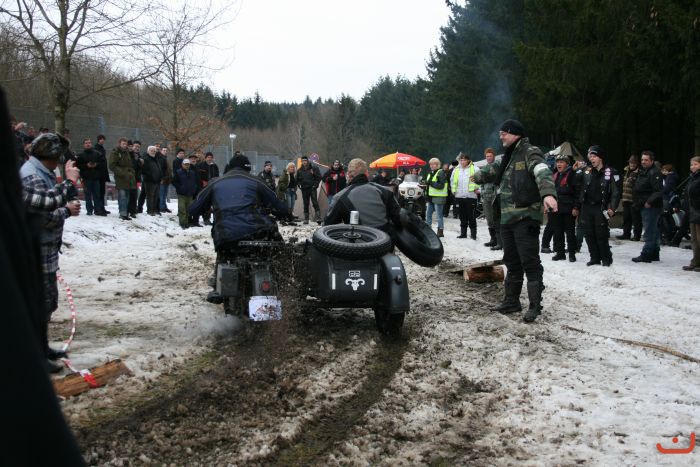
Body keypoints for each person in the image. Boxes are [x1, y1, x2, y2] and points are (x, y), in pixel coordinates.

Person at [472, 119, 557, 323]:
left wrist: (548, 193)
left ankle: (535, 306)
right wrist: (476, 175)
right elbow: (491, 170)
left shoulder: (530, 151)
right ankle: (512, 301)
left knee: (530, 262)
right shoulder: (507, 156)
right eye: (500, 133)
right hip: (507, 218)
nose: (501, 136)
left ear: (516, 133)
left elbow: (541, 170)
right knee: (511, 260)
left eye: (504, 133)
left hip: (526, 216)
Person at [189, 154, 291, 303]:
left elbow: (194, 209)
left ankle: (219, 286)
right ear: (247, 168)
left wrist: (207, 208)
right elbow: (278, 205)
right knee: (279, 250)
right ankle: (287, 281)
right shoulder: (257, 181)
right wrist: (285, 213)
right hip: (260, 232)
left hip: (227, 235)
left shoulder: (215, 183)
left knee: (224, 253)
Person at [20, 133, 82, 373]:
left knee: (47, 302)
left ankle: (42, 347)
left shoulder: (41, 172)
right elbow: (44, 213)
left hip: (45, 249)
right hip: (34, 250)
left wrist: (66, 202)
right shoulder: (31, 176)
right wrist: (67, 202)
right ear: (51, 156)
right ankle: (34, 355)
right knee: (39, 304)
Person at [324, 158, 402, 238]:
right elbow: (399, 218)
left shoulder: (341, 196)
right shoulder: (384, 191)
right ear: (367, 173)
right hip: (386, 241)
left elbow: (327, 227)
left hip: (358, 242)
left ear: (348, 174)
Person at [578, 145, 619, 266]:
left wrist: (612, 207)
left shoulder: (610, 172)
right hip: (587, 206)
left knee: (601, 234)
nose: (591, 158)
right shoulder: (586, 171)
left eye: (594, 156)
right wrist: (576, 171)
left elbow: (616, 192)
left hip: (600, 207)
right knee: (589, 234)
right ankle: (594, 258)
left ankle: (606, 259)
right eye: (590, 156)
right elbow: (575, 182)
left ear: (600, 158)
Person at [632, 150, 663, 262]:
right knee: (654, 230)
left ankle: (646, 254)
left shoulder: (654, 172)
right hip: (644, 204)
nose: (643, 162)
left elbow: (658, 191)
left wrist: (649, 202)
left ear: (652, 161)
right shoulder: (644, 171)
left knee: (649, 231)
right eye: (642, 159)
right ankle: (654, 253)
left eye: (646, 160)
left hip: (651, 206)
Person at [550, 155, 580, 261]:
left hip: (568, 208)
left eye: (561, 162)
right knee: (558, 232)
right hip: (556, 208)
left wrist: (576, 207)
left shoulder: (572, 174)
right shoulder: (555, 174)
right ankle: (560, 253)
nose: (559, 164)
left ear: (567, 164)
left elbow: (577, 192)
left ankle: (572, 253)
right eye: (557, 162)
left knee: (570, 232)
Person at [450, 152, 480, 239]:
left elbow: (481, 180)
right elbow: (452, 181)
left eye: (464, 160)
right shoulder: (456, 170)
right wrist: (453, 191)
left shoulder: (475, 169)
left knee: (471, 216)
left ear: (468, 160)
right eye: (461, 160)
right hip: (459, 196)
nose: (462, 162)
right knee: (462, 216)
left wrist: (479, 190)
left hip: (471, 196)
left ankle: (473, 235)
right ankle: (463, 234)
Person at [76, 137, 107, 216]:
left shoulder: (97, 154)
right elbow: (78, 166)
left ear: (91, 144)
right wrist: (86, 165)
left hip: (96, 178)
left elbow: (103, 163)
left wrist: (96, 164)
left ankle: (97, 210)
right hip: (86, 178)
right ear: (83, 145)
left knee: (97, 195)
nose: (88, 144)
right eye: (86, 143)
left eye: (89, 143)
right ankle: (89, 210)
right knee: (88, 195)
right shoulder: (81, 156)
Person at [108, 137, 136, 220]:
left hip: (129, 177)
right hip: (120, 177)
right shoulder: (115, 152)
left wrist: (131, 172)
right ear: (119, 144)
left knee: (127, 196)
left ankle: (125, 213)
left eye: (126, 144)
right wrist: (122, 173)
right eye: (123, 144)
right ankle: (122, 213)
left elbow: (130, 164)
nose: (125, 145)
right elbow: (112, 165)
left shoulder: (127, 152)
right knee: (122, 195)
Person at [480, 148, 502, 250]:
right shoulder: (484, 168)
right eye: (487, 156)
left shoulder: (497, 166)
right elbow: (481, 182)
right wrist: (482, 193)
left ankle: (499, 241)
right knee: (489, 219)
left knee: (496, 219)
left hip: (495, 196)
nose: (488, 158)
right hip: (486, 196)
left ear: (494, 156)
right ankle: (493, 239)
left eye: (490, 156)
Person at [617, 155, 642, 240]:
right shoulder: (626, 171)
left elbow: (639, 186)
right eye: (631, 162)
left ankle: (637, 235)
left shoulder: (639, 173)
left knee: (636, 219)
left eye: (634, 163)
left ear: (637, 164)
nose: (632, 164)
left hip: (634, 199)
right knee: (626, 218)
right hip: (625, 198)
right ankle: (626, 234)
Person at [682, 156, 700, 271]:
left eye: (696, 164)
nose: (693, 166)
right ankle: (695, 261)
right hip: (692, 212)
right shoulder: (692, 178)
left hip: (698, 211)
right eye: (691, 164)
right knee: (694, 239)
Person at [425, 157, 448, 237]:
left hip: (439, 197)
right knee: (428, 214)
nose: (432, 165)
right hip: (430, 196)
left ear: (438, 165)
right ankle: (428, 230)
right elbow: (429, 184)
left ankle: (440, 231)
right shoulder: (430, 173)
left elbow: (441, 186)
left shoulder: (440, 172)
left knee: (439, 215)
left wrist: (430, 183)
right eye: (430, 164)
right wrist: (424, 185)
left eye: (434, 164)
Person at [173, 158, 199, 229]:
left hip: (190, 194)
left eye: (188, 164)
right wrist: (180, 188)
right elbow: (174, 182)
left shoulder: (192, 173)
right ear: (182, 164)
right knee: (182, 209)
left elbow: (195, 181)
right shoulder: (178, 172)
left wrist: (194, 188)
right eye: (185, 164)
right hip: (182, 194)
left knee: (188, 209)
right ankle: (182, 223)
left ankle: (186, 222)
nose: (187, 166)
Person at [196, 152, 220, 224]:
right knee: (203, 202)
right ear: (205, 158)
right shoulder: (200, 165)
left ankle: (207, 218)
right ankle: (199, 218)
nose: (209, 159)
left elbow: (217, 176)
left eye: (211, 157)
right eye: (208, 157)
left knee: (209, 203)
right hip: (202, 187)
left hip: (212, 186)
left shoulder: (214, 166)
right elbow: (197, 176)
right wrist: (202, 182)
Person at [297, 155, 322, 224]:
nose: (304, 162)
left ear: (308, 161)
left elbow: (319, 177)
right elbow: (297, 179)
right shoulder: (299, 170)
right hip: (304, 189)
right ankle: (306, 219)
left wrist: (315, 185)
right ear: (301, 161)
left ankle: (318, 218)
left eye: (305, 160)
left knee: (315, 203)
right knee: (306, 204)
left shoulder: (314, 168)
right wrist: (299, 185)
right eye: (303, 161)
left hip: (312, 188)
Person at [141, 145, 163, 215]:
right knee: (150, 196)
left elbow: (159, 169)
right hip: (149, 181)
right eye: (151, 151)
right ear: (148, 151)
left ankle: (154, 210)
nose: (153, 152)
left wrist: (160, 177)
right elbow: (144, 170)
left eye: (154, 151)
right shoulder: (146, 159)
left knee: (156, 196)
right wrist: (151, 177)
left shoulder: (156, 159)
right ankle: (150, 211)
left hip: (157, 181)